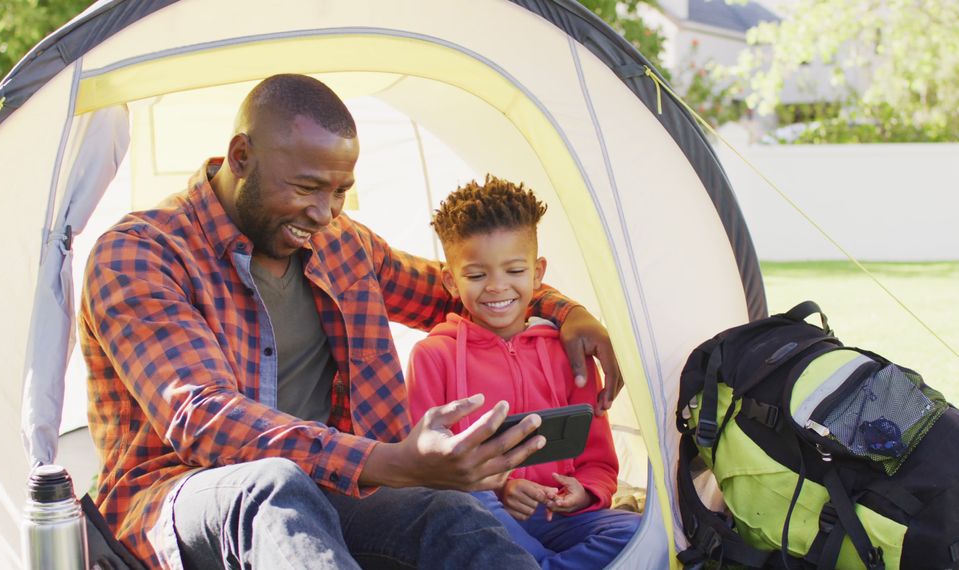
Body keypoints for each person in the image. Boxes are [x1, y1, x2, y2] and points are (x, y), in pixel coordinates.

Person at [79, 74, 623, 569]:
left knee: (450, 515)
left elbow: (456, 288)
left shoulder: (342, 244)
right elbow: (205, 420)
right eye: (307, 188)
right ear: (241, 156)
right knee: (272, 486)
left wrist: (565, 311)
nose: (325, 212)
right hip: (182, 497)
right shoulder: (141, 255)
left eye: (340, 192)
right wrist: (394, 462)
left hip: (332, 487)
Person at [405, 176, 641, 569]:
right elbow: (428, 469)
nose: (497, 287)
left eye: (514, 270)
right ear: (450, 279)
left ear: (537, 273)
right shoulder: (433, 356)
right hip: (484, 514)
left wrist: (583, 492)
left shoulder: (570, 353)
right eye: (477, 276)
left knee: (635, 531)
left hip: (560, 516)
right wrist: (503, 485)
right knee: (465, 507)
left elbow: (598, 459)